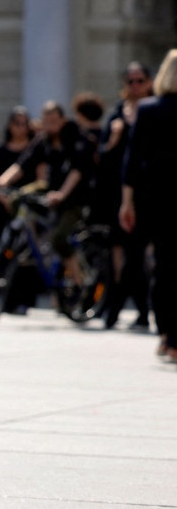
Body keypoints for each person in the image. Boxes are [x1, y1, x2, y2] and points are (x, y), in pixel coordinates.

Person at [0, 102, 92, 290]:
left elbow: (76, 171)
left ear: (63, 120)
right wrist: (3, 181)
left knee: (60, 238)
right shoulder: (44, 139)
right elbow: (23, 163)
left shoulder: (75, 138)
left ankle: (80, 281)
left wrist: (62, 194)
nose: (50, 125)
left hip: (75, 197)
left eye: (54, 121)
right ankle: (31, 236)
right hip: (51, 188)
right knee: (18, 198)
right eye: (46, 121)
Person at [120, 49, 177, 361]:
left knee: (163, 267)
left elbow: (131, 160)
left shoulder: (148, 110)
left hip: (155, 199)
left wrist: (126, 203)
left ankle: (166, 335)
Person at [101, 64, 154, 331]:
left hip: (149, 194)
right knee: (121, 256)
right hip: (120, 194)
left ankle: (125, 309)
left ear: (149, 82)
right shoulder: (116, 116)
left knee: (138, 257)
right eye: (130, 81)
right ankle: (125, 309)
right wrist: (113, 137)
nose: (134, 85)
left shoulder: (155, 112)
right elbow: (103, 156)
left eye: (140, 80)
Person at [0, 107, 37, 314]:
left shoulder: (34, 149)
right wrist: (3, 197)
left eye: (24, 123)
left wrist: (20, 199)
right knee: (5, 250)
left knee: (25, 252)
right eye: (16, 123)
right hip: (2, 205)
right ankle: (6, 299)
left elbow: (41, 177)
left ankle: (25, 299)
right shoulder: (0, 150)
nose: (20, 127)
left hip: (26, 205)